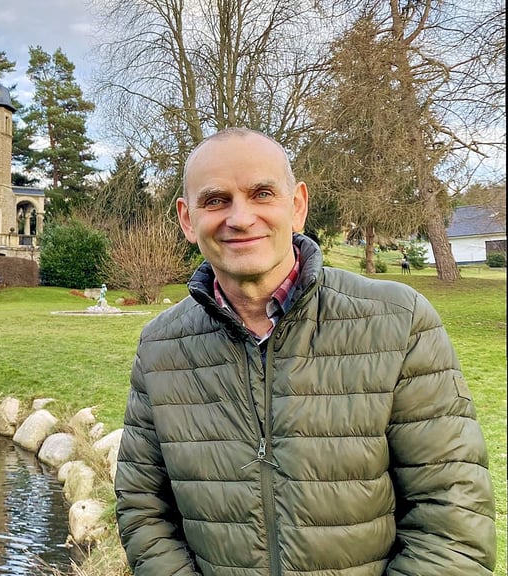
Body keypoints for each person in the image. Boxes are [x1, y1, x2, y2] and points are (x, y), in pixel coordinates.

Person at [114, 128, 496, 575]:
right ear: (186, 218)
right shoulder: (161, 346)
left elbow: (453, 515)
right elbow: (143, 509)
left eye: (261, 193)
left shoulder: (398, 320)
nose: (240, 218)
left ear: (297, 205)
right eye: (216, 200)